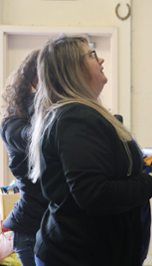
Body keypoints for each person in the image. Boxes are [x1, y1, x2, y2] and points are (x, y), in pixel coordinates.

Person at [29, 35, 152, 266]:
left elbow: (106, 171)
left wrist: (150, 177)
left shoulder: (84, 114)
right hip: (77, 256)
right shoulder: (75, 118)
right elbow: (93, 194)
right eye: (92, 55)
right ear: (73, 69)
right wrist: (149, 184)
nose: (101, 60)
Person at [0, 49, 49, 266]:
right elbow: (37, 139)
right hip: (31, 227)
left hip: (44, 224)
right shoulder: (14, 121)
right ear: (37, 80)